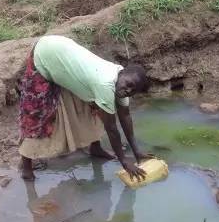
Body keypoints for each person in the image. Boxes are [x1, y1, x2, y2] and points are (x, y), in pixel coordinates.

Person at [18, 35, 152, 181]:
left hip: (63, 52)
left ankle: (95, 147)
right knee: (37, 115)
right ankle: (26, 167)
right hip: (45, 53)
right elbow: (112, 129)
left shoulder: (121, 82)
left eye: (132, 91)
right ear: (123, 72)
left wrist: (137, 152)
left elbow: (125, 116)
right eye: (129, 85)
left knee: (92, 105)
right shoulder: (105, 83)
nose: (127, 91)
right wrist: (124, 161)